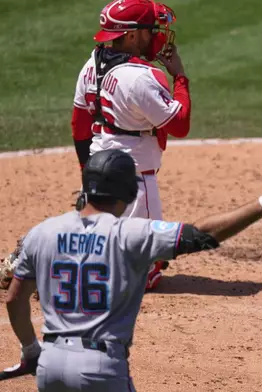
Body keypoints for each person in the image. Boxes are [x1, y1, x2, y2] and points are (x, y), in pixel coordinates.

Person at [3, 149, 262, 391]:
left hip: (51, 365)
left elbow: (14, 299)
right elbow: (203, 235)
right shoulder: (132, 234)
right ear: (127, 193)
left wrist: (31, 349)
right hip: (99, 370)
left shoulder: (41, 233)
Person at [71, 0, 190, 291]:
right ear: (133, 35)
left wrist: (88, 173)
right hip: (137, 180)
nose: (157, 35)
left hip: (101, 171)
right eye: (151, 30)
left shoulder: (90, 65)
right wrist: (180, 77)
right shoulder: (140, 77)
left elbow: (79, 125)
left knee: (106, 235)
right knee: (147, 272)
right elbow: (180, 124)